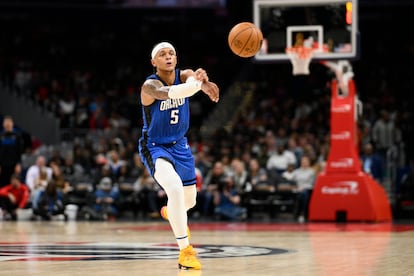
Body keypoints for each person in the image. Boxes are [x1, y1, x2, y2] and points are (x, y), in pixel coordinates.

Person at [138, 41, 219, 270]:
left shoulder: (184, 75)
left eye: (171, 53)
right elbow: (170, 93)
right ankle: (185, 252)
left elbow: (193, 78)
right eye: (162, 54)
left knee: (189, 201)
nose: (168, 56)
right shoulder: (149, 86)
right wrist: (197, 85)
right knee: (173, 188)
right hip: (155, 146)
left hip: (180, 146)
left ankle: (170, 212)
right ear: (154, 62)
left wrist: (204, 82)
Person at [0, 116, 24, 188]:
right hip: (2, 165)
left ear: (12, 124)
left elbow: (19, 151)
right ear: (3, 124)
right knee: (2, 184)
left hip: (13, 165)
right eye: (6, 123)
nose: (7, 124)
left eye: (9, 123)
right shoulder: (0, 135)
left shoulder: (17, 136)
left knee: (13, 184)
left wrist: (18, 164)